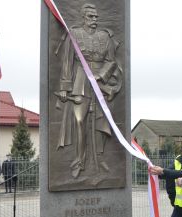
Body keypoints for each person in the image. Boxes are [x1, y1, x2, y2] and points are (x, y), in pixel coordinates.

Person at [56, 3, 122, 178]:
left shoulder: (105, 37)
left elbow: (111, 61)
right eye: (91, 17)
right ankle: (79, 161)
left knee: (102, 121)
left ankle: (100, 158)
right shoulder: (74, 35)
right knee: (79, 121)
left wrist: (100, 76)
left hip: (100, 83)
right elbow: (67, 63)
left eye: (96, 17)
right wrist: (65, 87)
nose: (95, 20)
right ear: (83, 18)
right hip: (80, 82)